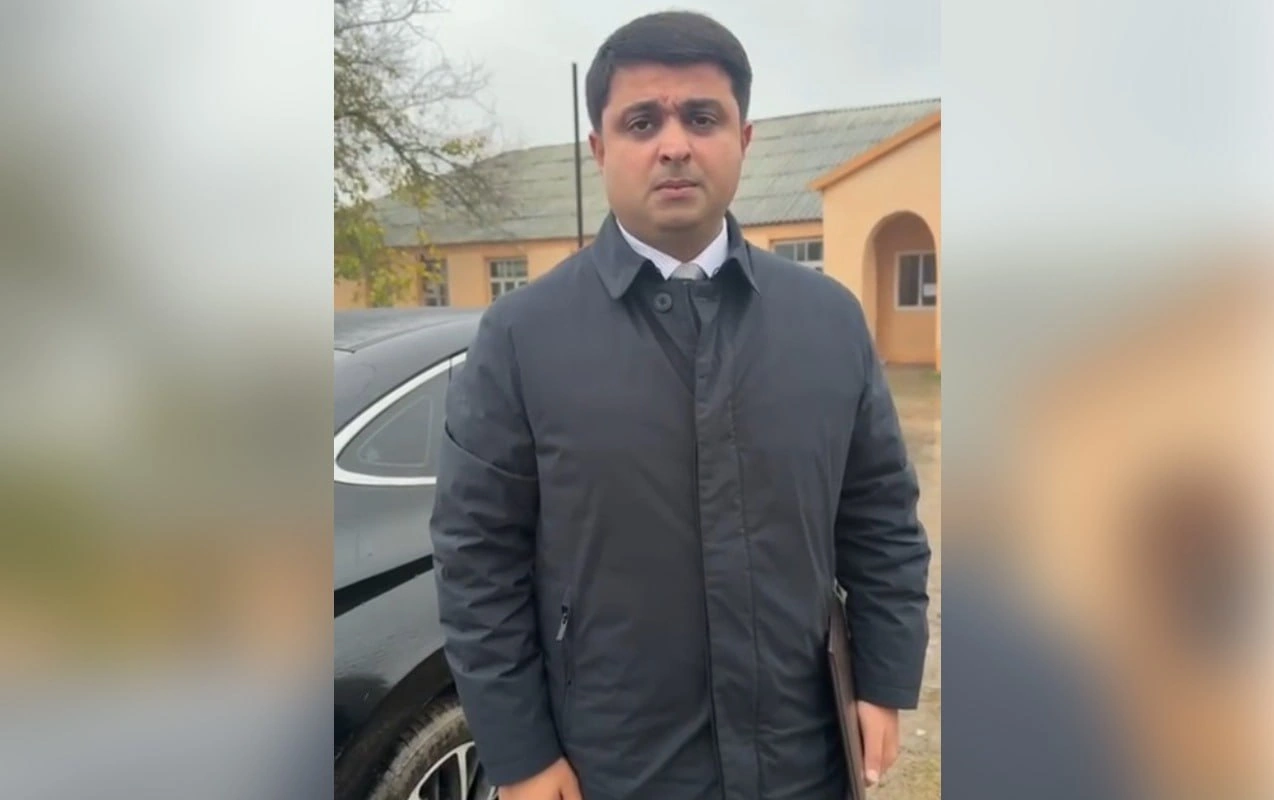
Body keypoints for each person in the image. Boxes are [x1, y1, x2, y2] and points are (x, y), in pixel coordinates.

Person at [429, 10, 930, 800]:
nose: (674, 145)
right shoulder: (523, 336)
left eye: (702, 118)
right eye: (641, 122)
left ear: (744, 139)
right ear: (599, 148)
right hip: (611, 766)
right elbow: (477, 562)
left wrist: (885, 678)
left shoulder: (828, 323)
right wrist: (520, 754)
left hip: (801, 761)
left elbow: (881, 520)